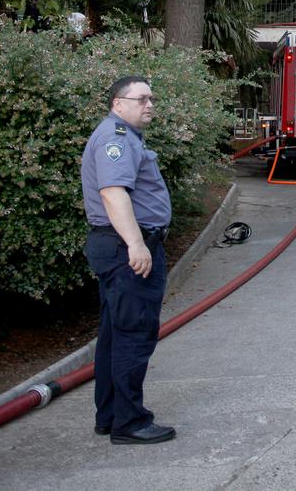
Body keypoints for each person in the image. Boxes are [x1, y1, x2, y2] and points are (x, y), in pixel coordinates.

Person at [81, 76, 176, 445]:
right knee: (133, 335)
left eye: (151, 98)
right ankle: (129, 423)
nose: (149, 104)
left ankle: (110, 416)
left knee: (115, 335)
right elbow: (112, 192)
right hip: (126, 250)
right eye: (141, 99)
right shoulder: (116, 138)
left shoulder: (125, 136)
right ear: (118, 104)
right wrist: (136, 244)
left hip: (118, 247)